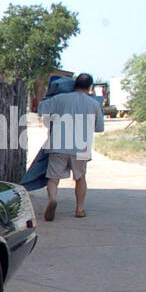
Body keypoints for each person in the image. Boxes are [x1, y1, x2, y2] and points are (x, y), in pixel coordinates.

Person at [37, 72, 104, 220]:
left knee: (53, 179)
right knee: (80, 178)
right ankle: (79, 209)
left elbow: (41, 110)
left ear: (75, 84)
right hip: (81, 148)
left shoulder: (60, 98)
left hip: (58, 145)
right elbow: (99, 128)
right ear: (89, 87)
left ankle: (52, 199)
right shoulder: (94, 104)